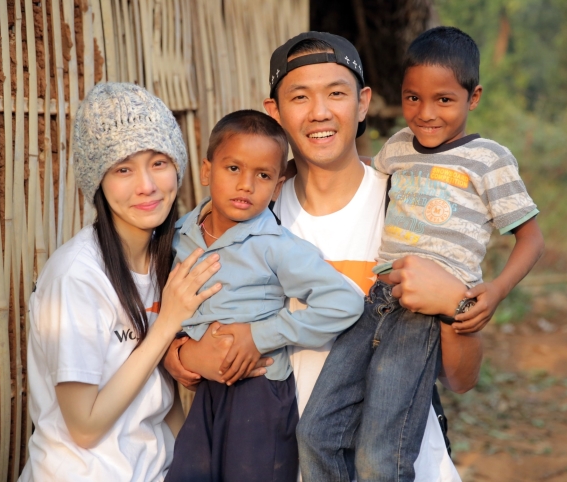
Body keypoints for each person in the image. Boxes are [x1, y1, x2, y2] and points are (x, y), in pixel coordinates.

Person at [165, 32, 483, 482]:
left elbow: (462, 378)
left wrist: (457, 304)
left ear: (363, 102)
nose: (320, 112)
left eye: (336, 93)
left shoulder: (409, 205)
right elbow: (185, 326)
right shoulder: (251, 215)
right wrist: (182, 355)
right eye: (299, 96)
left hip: (405, 467)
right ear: (273, 110)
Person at [297, 27, 545, 482]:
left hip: (424, 317)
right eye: (413, 99)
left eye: (444, 100)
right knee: (315, 432)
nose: (426, 114)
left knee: (378, 458)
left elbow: (531, 237)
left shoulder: (490, 160)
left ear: (474, 97)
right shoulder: (396, 148)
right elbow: (360, 175)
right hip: (375, 302)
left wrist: (496, 290)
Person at [21, 83, 223, 481]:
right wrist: (167, 324)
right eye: (123, 169)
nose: (146, 185)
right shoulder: (76, 277)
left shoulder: (168, 261)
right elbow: (85, 425)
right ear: (98, 182)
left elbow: (162, 401)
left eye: (159, 163)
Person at [164, 110, 364, 482]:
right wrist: (174, 350)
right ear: (207, 171)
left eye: (263, 175)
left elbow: (344, 303)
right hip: (206, 389)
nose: (246, 185)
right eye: (233, 169)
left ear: (276, 188)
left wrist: (260, 336)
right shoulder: (179, 235)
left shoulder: (275, 245)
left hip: (258, 394)